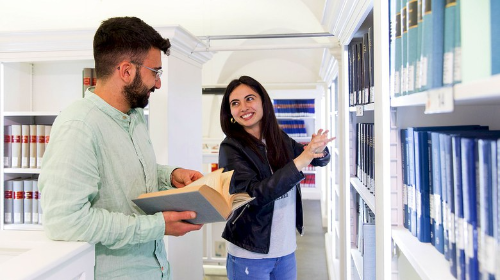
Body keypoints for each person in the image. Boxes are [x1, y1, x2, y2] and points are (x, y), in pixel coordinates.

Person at [38, 17, 203, 280]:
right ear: (126, 71)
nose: (158, 83)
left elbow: (128, 174)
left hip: (156, 270)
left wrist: (170, 175)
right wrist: (156, 226)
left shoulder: (135, 116)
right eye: (156, 72)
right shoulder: (78, 126)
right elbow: (65, 222)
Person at [218, 75, 335, 280]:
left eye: (250, 98)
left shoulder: (277, 137)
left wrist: (320, 150)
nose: (243, 107)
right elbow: (253, 195)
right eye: (235, 103)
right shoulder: (230, 147)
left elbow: (316, 160)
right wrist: (302, 159)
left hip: (285, 250)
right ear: (230, 113)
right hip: (250, 253)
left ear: (263, 101)